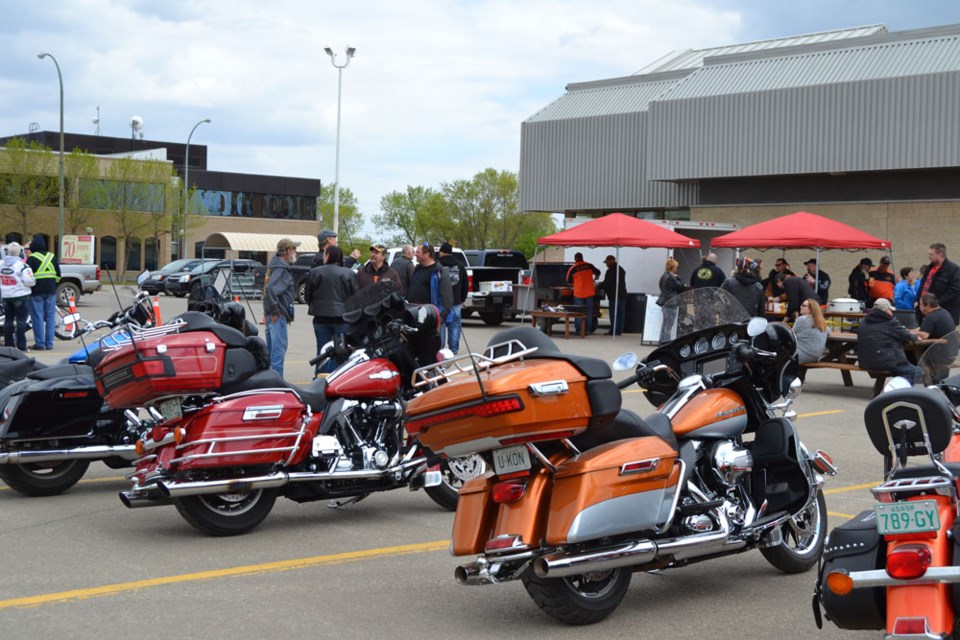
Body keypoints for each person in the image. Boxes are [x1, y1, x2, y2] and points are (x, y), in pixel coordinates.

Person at [305, 245, 360, 375]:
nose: (323, 257)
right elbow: (356, 296)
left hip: (320, 317)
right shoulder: (349, 273)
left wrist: (316, 305)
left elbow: (308, 295)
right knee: (341, 351)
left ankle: (320, 378)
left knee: (322, 350)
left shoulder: (315, 272)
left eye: (324, 254)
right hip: (342, 318)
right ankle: (339, 378)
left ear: (328, 255)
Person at [856, 297, 918, 380]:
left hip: (865, 362)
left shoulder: (864, 321)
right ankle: (898, 391)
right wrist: (916, 337)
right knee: (917, 372)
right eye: (890, 310)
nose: (892, 312)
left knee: (902, 371)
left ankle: (897, 388)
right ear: (886, 310)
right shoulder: (889, 322)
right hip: (885, 363)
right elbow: (908, 336)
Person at [263, 238, 298, 376]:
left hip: (272, 314)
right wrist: (275, 311)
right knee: (277, 354)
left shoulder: (274, 265)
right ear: (288, 251)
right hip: (278, 316)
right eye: (294, 249)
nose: (296, 252)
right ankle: (276, 386)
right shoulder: (281, 268)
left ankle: (269, 383)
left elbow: (268, 289)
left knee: (272, 354)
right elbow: (271, 289)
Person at [25, 234, 60, 351]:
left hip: (36, 293)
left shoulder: (32, 258)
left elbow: (28, 276)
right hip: (51, 292)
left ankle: (40, 344)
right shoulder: (52, 257)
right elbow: (58, 276)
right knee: (50, 318)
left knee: (37, 318)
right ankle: (49, 344)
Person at [407, 242, 453, 322]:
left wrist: (440, 318)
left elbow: (447, 299)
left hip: (430, 317)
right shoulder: (417, 269)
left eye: (418, 252)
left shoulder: (440, 272)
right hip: (413, 313)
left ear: (427, 254)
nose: (415, 255)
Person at [1, 242, 35, 351]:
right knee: (21, 322)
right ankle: (21, 346)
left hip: (6, 296)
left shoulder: (1, 264)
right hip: (20, 296)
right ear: (19, 252)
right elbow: (29, 281)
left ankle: (9, 345)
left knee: (8, 321)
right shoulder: (22, 266)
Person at [916, 243, 960, 324]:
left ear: (940, 255)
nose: (929, 256)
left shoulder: (954, 270)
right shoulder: (929, 269)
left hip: (944, 313)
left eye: (931, 254)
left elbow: (955, 290)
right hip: (925, 311)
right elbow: (922, 286)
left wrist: (936, 304)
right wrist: (917, 301)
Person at [437, 242, 469, 353]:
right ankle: (453, 349)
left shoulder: (437, 265)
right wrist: (462, 298)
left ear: (442, 252)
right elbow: (465, 283)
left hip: (440, 301)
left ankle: (439, 349)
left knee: (440, 324)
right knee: (455, 325)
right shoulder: (460, 265)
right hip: (455, 301)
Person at [566, 252, 600, 335]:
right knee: (589, 312)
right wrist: (595, 277)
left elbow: (568, 282)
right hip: (589, 292)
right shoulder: (589, 265)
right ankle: (587, 330)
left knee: (578, 313)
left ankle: (579, 331)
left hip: (579, 293)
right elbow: (598, 272)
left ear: (575, 259)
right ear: (582, 257)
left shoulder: (572, 268)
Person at [657, 258, 685, 343]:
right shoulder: (671, 278)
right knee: (668, 326)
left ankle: (661, 342)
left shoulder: (663, 276)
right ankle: (666, 343)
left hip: (665, 302)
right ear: (673, 267)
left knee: (664, 325)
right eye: (676, 267)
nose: (677, 269)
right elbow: (680, 287)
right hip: (671, 303)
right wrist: (679, 279)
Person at [793, 298, 829, 363]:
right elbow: (828, 332)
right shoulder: (822, 322)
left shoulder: (802, 319)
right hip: (815, 356)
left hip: (800, 355)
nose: (800, 307)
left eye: (803, 306)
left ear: (811, 309)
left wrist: (796, 321)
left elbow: (791, 335)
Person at [601, 255, 627, 335]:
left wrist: (598, 286)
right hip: (623, 294)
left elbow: (607, 283)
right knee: (621, 313)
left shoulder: (611, 271)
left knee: (614, 314)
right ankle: (619, 330)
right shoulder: (621, 269)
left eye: (607, 262)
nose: (606, 264)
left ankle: (614, 330)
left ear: (611, 260)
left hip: (614, 295)